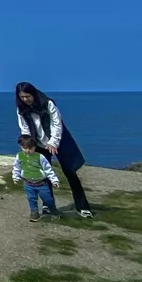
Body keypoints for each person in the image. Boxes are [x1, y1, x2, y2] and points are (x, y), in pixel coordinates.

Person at [15, 81, 93, 218]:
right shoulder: (21, 108)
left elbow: (57, 124)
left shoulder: (48, 103)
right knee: (43, 174)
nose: (25, 99)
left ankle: (82, 207)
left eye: (27, 96)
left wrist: (53, 142)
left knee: (70, 172)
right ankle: (48, 204)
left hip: (59, 142)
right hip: (38, 143)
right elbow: (24, 127)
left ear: (33, 93)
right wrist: (28, 144)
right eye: (22, 97)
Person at [12, 134, 60, 222]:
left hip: (41, 184)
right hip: (28, 183)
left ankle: (54, 212)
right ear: (21, 147)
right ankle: (34, 213)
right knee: (31, 199)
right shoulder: (19, 156)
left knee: (47, 199)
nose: (28, 151)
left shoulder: (40, 157)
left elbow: (48, 169)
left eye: (30, 148)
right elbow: (16, 167)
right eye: (25, 148)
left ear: (35, 147)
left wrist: (54, 180)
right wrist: (16, 177)